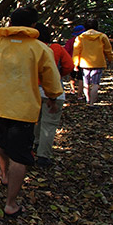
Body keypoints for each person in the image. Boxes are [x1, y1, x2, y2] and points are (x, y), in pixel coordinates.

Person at [0, 7, 63, 218]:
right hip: (23, 109)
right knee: (20, 155)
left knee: (2, 141)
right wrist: (53, 98)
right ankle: (11, 204)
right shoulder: (40, 48)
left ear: (10, 22)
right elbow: (52, 80)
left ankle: (4, 175)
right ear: (33, 26)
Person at [33, 23, 74, 167]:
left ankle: (35, 145)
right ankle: (43, 156)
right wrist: (58, 75)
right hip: (53, 90)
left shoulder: (29, 48)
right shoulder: (56, 48)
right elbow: (69, 66)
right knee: (49, 124)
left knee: (34, 120)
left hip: (32, 90)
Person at [72, 18, 113, 106]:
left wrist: (75, 64)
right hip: (98, 63)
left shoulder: (80, 37)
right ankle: (92, 103)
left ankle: (87, 99)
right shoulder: (102, 36)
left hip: (84, 64)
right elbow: (108, 49)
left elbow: (76, 52)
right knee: (95, 84)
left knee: (86, 83)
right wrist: (110, 59)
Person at [64, 25, 86, 97]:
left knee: (72, 76)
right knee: (81, 78)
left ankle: (72, 89)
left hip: (71, 61)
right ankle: (79, 94)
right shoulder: (85, 41)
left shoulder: (70, 41)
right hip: (82, 61)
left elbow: (66, 51)